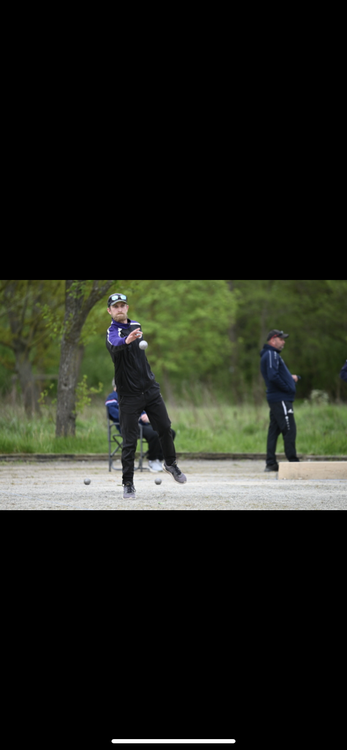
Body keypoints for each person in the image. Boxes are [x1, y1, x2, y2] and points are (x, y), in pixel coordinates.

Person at [105, 292, 187, 498]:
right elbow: (115, 346)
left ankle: (170, 463)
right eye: (115, 306)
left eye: (122, 305)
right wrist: (127, 340)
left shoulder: (137, 325)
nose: (119, 309)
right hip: (129, 395)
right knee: (130, 441)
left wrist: (133, 336)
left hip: (150, 390)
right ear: (109, 311)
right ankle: (128, 483)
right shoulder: (112, 332)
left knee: (165, 427)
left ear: (127, 308)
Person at [105, 384, 176, 472]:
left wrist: (147, 416)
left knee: (169, 432)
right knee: (154, 434)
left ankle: (159, 459)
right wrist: (135, 416)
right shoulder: (112, 398)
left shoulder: (133, 396)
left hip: (143, 425)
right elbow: (117, 414)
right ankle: (152, 460)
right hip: (128, 427)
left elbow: (144, 409)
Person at [260, 329, 300, 471]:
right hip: (281, 398)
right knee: (289, 429)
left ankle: (271, 463)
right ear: (273, 340)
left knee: (274, 430)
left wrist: (290, 378)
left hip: (278, 397)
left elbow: (277, 374)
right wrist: (287, 388)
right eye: (281, 339)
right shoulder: (271, 354)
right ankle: (293, 462)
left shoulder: (272, 355)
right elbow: (273, 376)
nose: (283, 342)